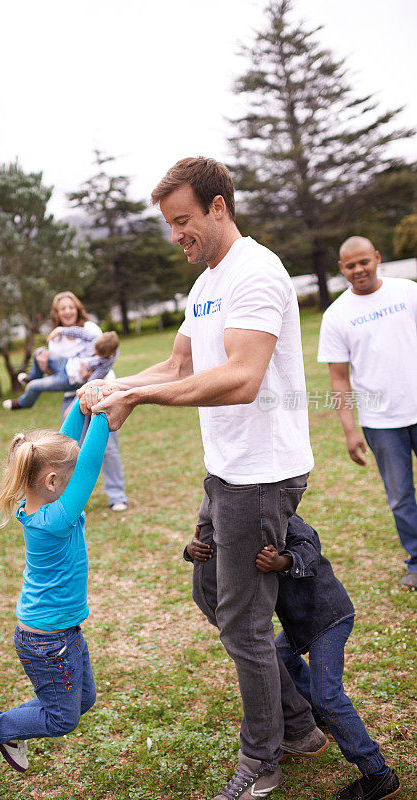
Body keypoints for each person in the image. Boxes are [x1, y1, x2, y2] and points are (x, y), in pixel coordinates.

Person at [80, 157, 314, 799]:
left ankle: (266, 757)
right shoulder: (207, 282)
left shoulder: (257, 272)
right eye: (168, 224)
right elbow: (181, 361)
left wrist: (142, 401)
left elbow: (242, 378)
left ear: (218, 207)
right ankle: (298, 719)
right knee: (212, 595)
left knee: (241, 620)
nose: (176, 234)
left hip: (262, 475)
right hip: (227, 471)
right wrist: (119, 384)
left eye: (183, 221)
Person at [0, 399, 109, 780]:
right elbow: (90, 466)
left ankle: (15, 731)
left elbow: (62, 448)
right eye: (70, 477)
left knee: (84, 700)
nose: (77, 482)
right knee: (62, 718)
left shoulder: (39, 502)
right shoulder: (56, 519)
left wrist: (82, 404)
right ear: (54, 482)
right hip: (47, 641)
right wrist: (106, 416)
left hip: (63, 631)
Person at [255, 520, 401, 800]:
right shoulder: (244, 521)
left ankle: (379, 774)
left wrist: (281, 561)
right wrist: (193, 550)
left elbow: (309, 552)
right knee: (279, 660)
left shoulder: (287, 519)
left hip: (329, 618)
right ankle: (317, 719)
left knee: (329, 696)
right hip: (300, 625)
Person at [184, 507, 329, 763]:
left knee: (256, 648)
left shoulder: (271, 511)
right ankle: (300, 725)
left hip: (296, 611)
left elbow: (309, 546)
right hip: (232, 601)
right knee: (260, 649)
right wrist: (191, 549)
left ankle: (303, 724)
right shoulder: (230, 502)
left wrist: (283, 561)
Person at [317, 237, 417, 590]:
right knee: (400, 496)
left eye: (364, 262)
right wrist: (349, 430)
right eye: (349, 265)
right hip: (381, 423)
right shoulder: (336, 316)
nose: (358, 270)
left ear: (377, 258)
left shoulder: (407, 292)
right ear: (341, 268)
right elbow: (339, 379)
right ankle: (416, 561)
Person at [11, 291, 128, 512]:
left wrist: (89, 375)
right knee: (66, 448)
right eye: (62, 308)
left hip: (99, 390)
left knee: (108, 447)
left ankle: (117, 496)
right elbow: (60, 374)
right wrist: (45, 367)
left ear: (77, 308)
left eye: (70, 307)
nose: (67, 311)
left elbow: (107, 354)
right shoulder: (55, 338)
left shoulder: (90, 329)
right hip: (72, 394)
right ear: (57, 312)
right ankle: (63, 496)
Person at [3, 330, 119, 410]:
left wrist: (74, 404)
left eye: (97, 354)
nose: (93, 353)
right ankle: (32, 377)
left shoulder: (104, 366)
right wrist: (61, 330)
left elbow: (90, 384)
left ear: (109, 355)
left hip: (69, 380)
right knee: (39, 352)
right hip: (66, 363)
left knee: (33, 387)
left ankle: (23, 403)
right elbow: (79, 332)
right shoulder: (96, 338)